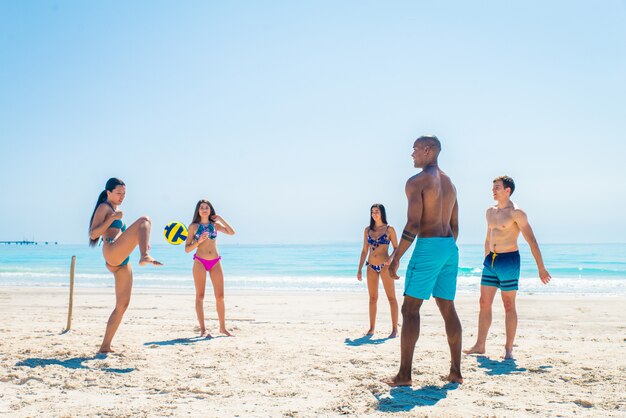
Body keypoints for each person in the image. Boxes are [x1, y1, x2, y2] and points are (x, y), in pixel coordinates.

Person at [385, 135, 463, 386]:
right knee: (447, 308)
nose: (412, 154)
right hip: (449, 246)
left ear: (428, 150)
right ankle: (455, 372)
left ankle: (404, 376)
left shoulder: (416, 182)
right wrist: (445, 251)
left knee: (409, 310)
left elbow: (414, 224)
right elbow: (455, 225)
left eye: (415, 149)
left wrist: (395, 257)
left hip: (429, 246)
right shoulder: (450, 183)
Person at [463, 176, 551, 359]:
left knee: (508, 304)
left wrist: (541, 268)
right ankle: (480, 345)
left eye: (497, 187)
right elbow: (488, 237)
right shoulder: (490, 211)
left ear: (507, 190)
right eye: (493, 187)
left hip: (509, 261)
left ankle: (508, 348)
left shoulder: (516, 213)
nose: (493, 190)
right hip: (491, 261)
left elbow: (532, 240)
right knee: (483, 303)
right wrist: (486, 256)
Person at [88, 177, 162, 353]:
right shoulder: (104, 207)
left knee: (122, 306)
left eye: (124, 193)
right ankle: (144, 256)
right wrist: (111, 218)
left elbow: (124, 234)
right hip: (112, 250)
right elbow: (93, 234)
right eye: (118, 193)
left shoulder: (116, 209)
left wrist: (140, 241)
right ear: (109, 193)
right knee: (145, 219)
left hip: (122, 260)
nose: (122, 196)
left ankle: (105, 346)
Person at [185, 199, 236, 338]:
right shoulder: (193, 227)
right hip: (200, 262)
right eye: (201, 207)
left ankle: (222, 328)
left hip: (215, 261)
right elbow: (187, 249)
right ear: (198, 210)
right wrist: (198, 241)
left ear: (210, 209)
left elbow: (232, 232)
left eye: (206, 207)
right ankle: (202, 329)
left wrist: (221, 219)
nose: (204, 209)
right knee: (200, 296)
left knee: (220, 297)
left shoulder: (215, 225)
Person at [357, 204, 399, 338]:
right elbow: (364, 250)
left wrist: (391, 259)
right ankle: (371, 328)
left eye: (377, 211)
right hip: (371, 267)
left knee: (391, 298)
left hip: (385, 266)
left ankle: (394, 329)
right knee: (373, 298)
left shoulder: (389, 230)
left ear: (382, 213)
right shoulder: (367, 230)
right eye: (372, 212)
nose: (374, 214)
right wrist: (359, 269)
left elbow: (397, 248)